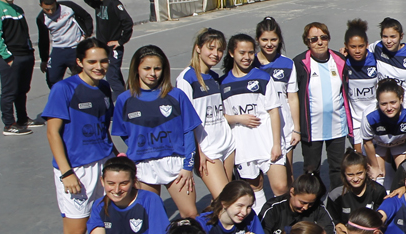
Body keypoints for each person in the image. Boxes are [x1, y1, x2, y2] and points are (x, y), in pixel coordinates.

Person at [42, 38, 114, 234]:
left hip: (103, 164)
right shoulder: (64, 89)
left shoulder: (105, 88)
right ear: (80, 62)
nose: (99, 66)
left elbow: (102, 126)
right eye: (93, 61)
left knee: (104, 223)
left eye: (103, 61)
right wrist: (67, 172)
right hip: (76, 170)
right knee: (76, 231)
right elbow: (52, 132)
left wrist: (115, 156)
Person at [111, 46, 201, 219]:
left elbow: (188, 132)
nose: (152, 73)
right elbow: (124, 133)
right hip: (143, 165)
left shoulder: (176, 95)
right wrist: (141, 147)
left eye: (157, 68)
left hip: (175, 164)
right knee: (151, 217)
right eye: (147, 68)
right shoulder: (125, 100)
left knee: (190, 214)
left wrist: (187, 166)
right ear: (136, 69)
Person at [221, 33, 288, 207]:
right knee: (255, 189)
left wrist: (276, 144)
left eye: (251, 53)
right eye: (242, 52)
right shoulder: (222, 84)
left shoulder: (264, 78)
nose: (247, 57)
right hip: (244, 146)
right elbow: (220, 118)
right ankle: (263, 227)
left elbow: (274, 111)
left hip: (267, 143)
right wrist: (238, 118)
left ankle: (286, 228)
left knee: (280, 187)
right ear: (231, 53)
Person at [290, 22, 352, 189]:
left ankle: (337, 201)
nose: (319, 42)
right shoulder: (299, 63)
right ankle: (312, 203)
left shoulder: (340, 60)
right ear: (307, 42)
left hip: (336, 124)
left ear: (328, 39)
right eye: (313, 39)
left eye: (323, 38)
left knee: (338, 168)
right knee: (311, 168)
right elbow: (293, 95)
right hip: (311, 127)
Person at [176, 29, 235, 199]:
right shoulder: (186, 79)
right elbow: (185, 121)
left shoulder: (215, 78)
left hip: (227, 144)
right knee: (226, 199)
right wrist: (198, 151)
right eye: (211, 48)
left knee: (224, 200)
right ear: (198, 48)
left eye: (219, 50)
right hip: (208, 150)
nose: (215, 54)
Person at [0, 0, 37, 135]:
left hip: (25, 55)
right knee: (10, 91)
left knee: (23, 89)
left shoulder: (18, 10)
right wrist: (7, 57)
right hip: (10, 58)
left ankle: (23, 119)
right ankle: (9, 124)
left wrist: (30, 51)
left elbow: (24, 33)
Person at [256, 17, 301, 174]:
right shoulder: (250, 63)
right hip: (258, 128)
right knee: (256, 181)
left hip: (284, 128)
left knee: (287, 178)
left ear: (279, 40)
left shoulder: (287, 63)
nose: (269, 44)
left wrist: (296, 129)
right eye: (264, 40)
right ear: (257, 40)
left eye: (273, 39)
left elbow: (292, 97)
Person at [258, 173, 340, 234]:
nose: (306, 207)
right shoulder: (273, 209)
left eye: (310, 204)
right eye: (302, 202)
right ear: (292, 192)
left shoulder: (318, 208)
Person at [363, 79, 406, 189]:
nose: (389, 108)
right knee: (377, 176)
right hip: (378, 144)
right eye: (384, 104)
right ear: (377, 102)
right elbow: (367, 142)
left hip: (400, 144)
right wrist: (375, 167)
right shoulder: (369, 115)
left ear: (401, 99)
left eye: (393, 102)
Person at [82, 0, 133, 98]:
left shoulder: (113, 4)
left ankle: (123, 102)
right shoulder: (99, 3)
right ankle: (125, 95)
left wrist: (120, 41)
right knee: (114, 74)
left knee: (112, 76)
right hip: (103, 46)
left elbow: (127, 22)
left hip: (112, 47)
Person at [36, 0, 92, 89]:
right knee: (51, 78)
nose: (50, 12)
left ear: (56, 3)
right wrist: (44, 59)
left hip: (75, 48)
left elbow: (86, 16)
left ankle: (78, 97)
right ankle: (60, 96)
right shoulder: (41, 18)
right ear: (41, 5)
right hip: (58, 49)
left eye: (53, 8)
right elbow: (43, 40)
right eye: (47, 10)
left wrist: (87, 33)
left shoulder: (68, 6)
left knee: (80, 77)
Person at [327, 150, 388, 232]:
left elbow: (382, 218)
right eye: (350, 175)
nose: (355, 179)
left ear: (366, 170)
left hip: (370, 233)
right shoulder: (336, 195)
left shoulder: (378, 191)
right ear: (344, 174)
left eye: (359, 173)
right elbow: (332, 222)